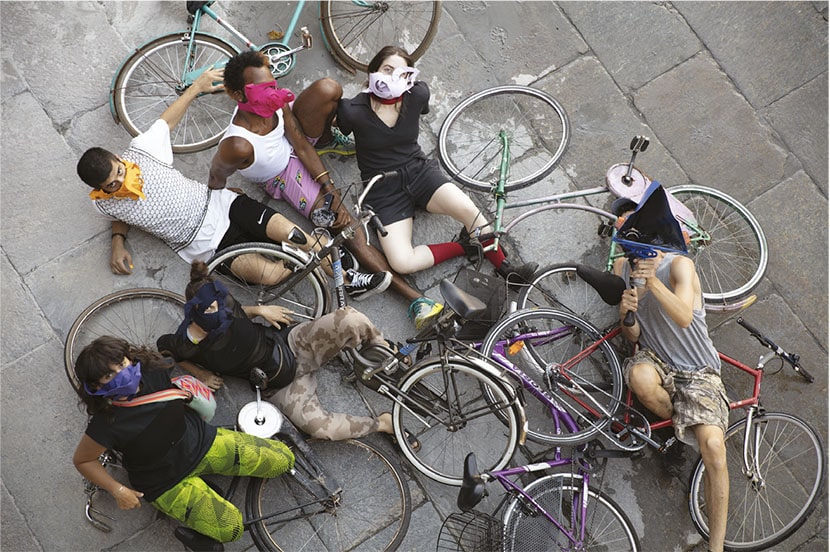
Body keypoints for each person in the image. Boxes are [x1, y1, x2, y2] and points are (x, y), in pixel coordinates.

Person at [76, 67, 385, 296]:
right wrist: (118, 242)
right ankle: (321, 264)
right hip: (205, 246)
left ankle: (344, 275)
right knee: (272, 275)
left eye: (119, 170)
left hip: (224, 205)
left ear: (119, 158)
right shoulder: (104, 204)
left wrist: (196, 87)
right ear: (101, 190)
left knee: (295, 234)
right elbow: (117, 215)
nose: (120, 179)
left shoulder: (140, 152)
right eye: (112, 183)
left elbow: (167, 121)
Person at [336, 46, 539, 317]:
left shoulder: (417, 94)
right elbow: (341, 128)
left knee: (470, 212)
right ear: (373, 70)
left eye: (401, 72)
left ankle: (506, 269)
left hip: (420, 173)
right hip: (383, 190)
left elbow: (420, 106)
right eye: (387, 69)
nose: (393, 77)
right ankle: (464, 246)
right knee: (401, 261)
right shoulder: (353, 110)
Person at [208, 50, 408, 305]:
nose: (273, 92)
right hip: (281, 174)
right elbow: (215, 176)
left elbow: (301, 145)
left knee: (328, 88)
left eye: (273, 84)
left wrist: (330, 192)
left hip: (292, 141)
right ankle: (409, 297)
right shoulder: (238, 146)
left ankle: (325, 141)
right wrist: (224, 200)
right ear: (238, 95)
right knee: (346, 224)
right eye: (262, 88)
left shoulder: (274, 103)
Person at [71, 336, 295, 548]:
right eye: (110, 376)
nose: (123, 374)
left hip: (201, 442)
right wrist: (118, 489)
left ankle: (207, 490)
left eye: (122, 363)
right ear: (96, 387)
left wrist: (200, 374)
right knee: (231, 529)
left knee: (283, 459)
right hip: (166, 481)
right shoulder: (105, 424)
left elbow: (176, 351)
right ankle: (197, 540)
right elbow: (83, 460)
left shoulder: (153, 369)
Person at [157, 261, 402, 442]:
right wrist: (199, 374)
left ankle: (381, 351)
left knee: (351, 319)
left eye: (218, 304)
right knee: (320, 429)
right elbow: (166, 349)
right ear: (195, 314)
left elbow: (238, 310)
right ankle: (381, 424)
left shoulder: (226, 304)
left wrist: (260, 310)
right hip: (280, 384)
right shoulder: (186, 342)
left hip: (292, 344)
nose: (221, 312)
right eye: (210, 310)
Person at [613, 222, 729, 551]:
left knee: (715, 451)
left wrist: (652, 282)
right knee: (639, 378)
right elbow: (632, 337)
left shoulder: (679, 265)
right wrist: (626, 315)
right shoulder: (623, 269)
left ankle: (716, 547)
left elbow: (683, 316)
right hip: (654, 359)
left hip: (698, 369)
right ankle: (676, 430)